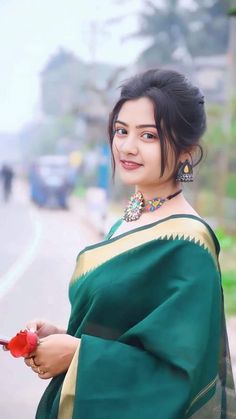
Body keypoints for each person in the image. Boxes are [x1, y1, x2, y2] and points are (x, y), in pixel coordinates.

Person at [23, 69, 236, 418]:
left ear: (186, 152)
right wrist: (63, 335)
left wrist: (78, 355)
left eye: (148, 135)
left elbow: (180, 378)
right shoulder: (126, 222)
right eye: (121, 131)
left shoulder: (188, 245)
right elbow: (126, 331)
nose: (127, 146)